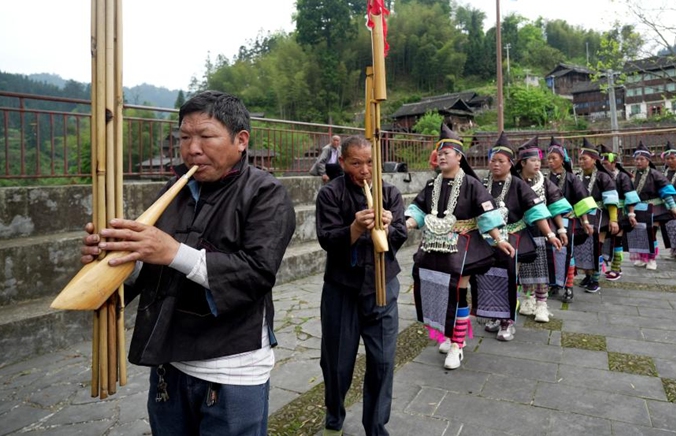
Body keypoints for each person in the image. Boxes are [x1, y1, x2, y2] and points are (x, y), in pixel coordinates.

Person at [79, 91, 296, 436]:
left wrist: (172, 251)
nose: (192, 148)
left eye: (206, 136)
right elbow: (151, 269)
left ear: (241, 140)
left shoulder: (266, 193)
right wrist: (115, 259)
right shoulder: (175, 189)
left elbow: (256, 273)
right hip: (170, 362)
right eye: (184, 137)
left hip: (232, 371)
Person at [315, 135, 408, 436]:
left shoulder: (390, 193)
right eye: (356, 163)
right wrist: (354, 228)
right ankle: (334, 417)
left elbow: (401, 234)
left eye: (370, 163)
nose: (365, 170)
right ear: (342, 163)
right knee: (337, 363)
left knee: (382, 362)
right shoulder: (330, 194)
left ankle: (377, 427)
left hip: (382, 286)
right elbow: (327, 239)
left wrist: (390, 225)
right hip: (342, 288)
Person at [405, 124, 513, 370]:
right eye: (439, 153)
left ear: (459, 157)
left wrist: (499, 240)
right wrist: (407, 225)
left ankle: (457, 343)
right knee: (438, 289)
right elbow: (418, 211)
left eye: (447, 153)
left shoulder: (473, 185)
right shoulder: (433, 186)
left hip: (462, 247)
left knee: (458, 290)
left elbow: (486, 216)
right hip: (433, 245)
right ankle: (446, 333)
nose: (442, 157)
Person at [475, 133, 562, 340]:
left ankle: (508, 321)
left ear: (510, 164)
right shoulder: (481, 183)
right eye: (493, 160)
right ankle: (494, 315)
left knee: (509, 278)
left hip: (513, 237)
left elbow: (535, 210)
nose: (496, 165)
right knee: (487, 278)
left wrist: (551, 233)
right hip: (487, 240)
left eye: (501, 161)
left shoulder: (517, 184)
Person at [515, 136, 571, 322]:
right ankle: (527, 300)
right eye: (533, 160)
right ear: (523, 163)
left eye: (539, 160)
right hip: (520, 231)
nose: (538, 164)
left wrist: (561, 229)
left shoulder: (545, 182)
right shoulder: (513, 182)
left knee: (541, 271)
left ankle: (542, 304)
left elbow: (554, 207)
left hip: (542, 231)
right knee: (522, 270)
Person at [546, 137, 596, 302]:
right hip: (548, 222)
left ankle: (568, 286)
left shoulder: (572, 179)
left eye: (554, 158)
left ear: (562, 159)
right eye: (548, 158)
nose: (550, 161)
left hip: (567, 221)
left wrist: (586, 221)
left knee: (567, 253)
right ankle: (554, 283)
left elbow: (581, 200)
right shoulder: (544, 178)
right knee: (550, 254)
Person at [575, 138, 620, 293]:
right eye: (580, 158)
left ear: (594, 160)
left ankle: (595, 279)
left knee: (596, 247)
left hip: (600, 216)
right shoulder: (576, 176)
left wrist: (614, 220)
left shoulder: (603, 177)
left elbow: (612, 200)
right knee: (583, 247)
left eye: (584, 158)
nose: (581, 161)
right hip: (582, 216)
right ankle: (587, 275)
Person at [627, 141, 676, 271]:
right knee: (639, 234)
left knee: (651, 234)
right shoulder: (632, 175)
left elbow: (666, 193)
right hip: (638, 209)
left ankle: (651, 259)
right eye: (636, 159)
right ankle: (641, 257)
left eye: (641, 159)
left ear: (648, 161)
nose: (638, 162)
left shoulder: (655, 174)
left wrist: (673, 207)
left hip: (654, 210)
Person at [599, 144, 639, 280]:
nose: (603, 166)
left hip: (621, 212)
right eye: (602, 164)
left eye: (605, 163)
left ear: (614, 163)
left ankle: (616, 268)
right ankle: (605, 265)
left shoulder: (622, 177)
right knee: (605, 240)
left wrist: (631, 214)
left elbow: (630, 196)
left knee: (617, 240)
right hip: (605, 212)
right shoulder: (601, 176)